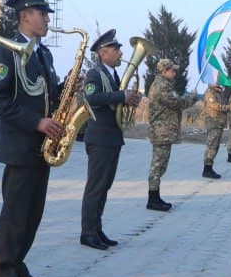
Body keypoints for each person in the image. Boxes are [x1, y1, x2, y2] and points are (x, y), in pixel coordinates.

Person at [0, 0, 62, 277]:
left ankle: (17, 265)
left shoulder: (44, 53)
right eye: (42, 14)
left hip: (43, 147)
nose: (47, 19)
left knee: (32, 213)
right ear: (25, 15)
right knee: (15, 214)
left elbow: (47, 94)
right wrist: (36, 122)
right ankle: (3, 275)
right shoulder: (7, 51)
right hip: (20, 145)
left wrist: (68, 87)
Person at [79, 29, 141, 249]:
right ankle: (88, 233)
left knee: (104, 186)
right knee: (95, 187)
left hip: (111, 138)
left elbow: (114, 99)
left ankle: (96, 229)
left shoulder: (112, 75)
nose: (120, 53)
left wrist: (129, 100)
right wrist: (122, 96)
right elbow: (91, 97)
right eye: (115, 49)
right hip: (100, 138)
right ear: (103, 52)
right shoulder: (94, 74)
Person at [146, 58, 195, 211]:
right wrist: (191, 98)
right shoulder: (162, 86)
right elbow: (176, 103)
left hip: (164, 131)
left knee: (160, 165)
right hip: (161, 131)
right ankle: (152, 199)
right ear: (164, 71)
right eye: (172, 70)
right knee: (157, 165)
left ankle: (155, 196)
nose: (174, 73)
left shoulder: (165, 85)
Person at [201, 81, 231, 179]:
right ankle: (207, 170)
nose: (218, 81)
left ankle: (209, 168)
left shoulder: (219, 92)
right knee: (212, 146)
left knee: (215, 146)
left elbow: (224, 105)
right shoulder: (210, 92)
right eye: (216, 80)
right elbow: (216, 106)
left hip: (219, 123)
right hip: (213, 123)